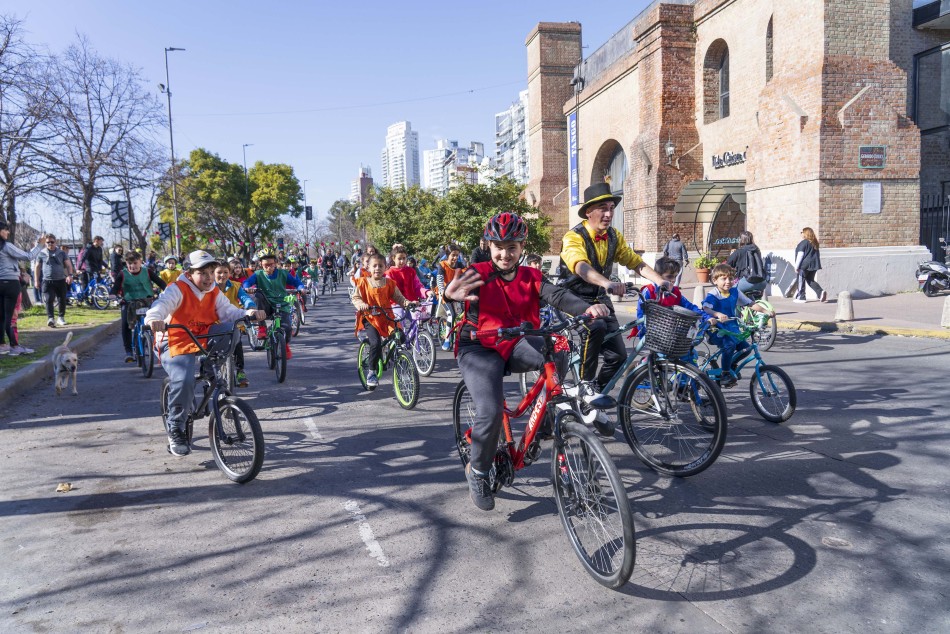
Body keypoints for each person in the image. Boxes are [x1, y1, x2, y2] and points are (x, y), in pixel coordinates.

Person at [443, 212, 610, 511]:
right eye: (499, 247)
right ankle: (479, 472)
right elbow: (455, 291)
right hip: (480, 347)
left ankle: (544, 421)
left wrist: (588, 309)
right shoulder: (477, 272)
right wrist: (449, 295)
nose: (505, 254)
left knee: (557, 348)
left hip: (516, 340)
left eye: (512, 247)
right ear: (488, 245)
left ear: (522, 248)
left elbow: (556, 294)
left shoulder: (531, 276)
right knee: (491, 410)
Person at [559, 182, 665, 415]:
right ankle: (586, 386)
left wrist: (660, 281)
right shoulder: (573, 237)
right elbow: (580, 267)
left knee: (618, 356)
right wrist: (607, 283)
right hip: (572, 297)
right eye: (602, 209)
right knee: (594, 326)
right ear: (589, 212)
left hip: (599, 298)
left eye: (611, 208)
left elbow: (635, 262)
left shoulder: (614, 236)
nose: (608, 214)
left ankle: (595, 393)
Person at [145, 250, 264, 456]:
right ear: (190, 273)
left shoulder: (214, 292)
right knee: (184, 380)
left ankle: (210, 369)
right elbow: (161, 305)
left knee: (232, 328)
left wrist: (248, 313)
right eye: (202, 273)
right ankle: (176, 428)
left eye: (211, 272)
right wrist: (154, 319)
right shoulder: (178, 289)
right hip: (176, 340)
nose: (209, 277)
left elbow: (228, 312)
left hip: (201, 338)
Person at [702, 263, 775, 388]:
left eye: (730, 278)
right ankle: (725, 373)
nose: (728, 282)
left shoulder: (735, 292)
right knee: (729, 345)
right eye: (723, 279)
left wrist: (765, 311)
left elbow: (750, 303)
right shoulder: (713, 295)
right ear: (715, 281)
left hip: (732, 327)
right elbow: (706, 308)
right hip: (716, 329)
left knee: (745, 348)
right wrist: (717, 314)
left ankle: (731, 365)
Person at [351, 253, 418, 388]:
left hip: (387, 318)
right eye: (374, 266)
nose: (377, 268)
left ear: (385, 267)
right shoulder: (363, 282)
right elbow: (356, 298)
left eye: (380, 266)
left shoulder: (389, 283)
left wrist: (407, 303)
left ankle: (397, 359)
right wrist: (361, 305)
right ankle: (371, 372)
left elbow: (399, 298)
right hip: (370, 318)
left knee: (401, 337)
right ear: (368, 268)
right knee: (375, 343)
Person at [242, 249, 305, 359]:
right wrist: (247, 288)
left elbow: (296, 282)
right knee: (257, 296)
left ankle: (284, 345)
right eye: (266, 265)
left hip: (282, 304)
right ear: (261, 264)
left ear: (275, 263)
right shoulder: (258, 274)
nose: (269, 267)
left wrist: (301, 288)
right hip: (266, 306)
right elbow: (247, 282)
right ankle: (262, 327)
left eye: (271, 264)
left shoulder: (283, 273)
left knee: (287, 328)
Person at [111, 251, 167, 363]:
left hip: (147, 301)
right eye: (129, 263)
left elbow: (160, 282)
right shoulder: (122, 274)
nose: (132, 266)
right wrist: (112, 295)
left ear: (140, 262)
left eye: (135, 263)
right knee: (125, 325)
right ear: (126, 263)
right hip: (129, 303)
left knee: (157, 322)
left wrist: (168, 290)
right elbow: (115, 287)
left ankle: (157, 345)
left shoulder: (147, 272)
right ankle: (128, 352)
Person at [636, 257, 712, 337]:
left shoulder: (675, 292)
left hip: (671, 334)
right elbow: (641, 315)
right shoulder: (648, 291)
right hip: (653, 335)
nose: (673, 280)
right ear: (657, 275)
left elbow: (690, 307)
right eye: (669, 276)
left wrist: (706, 317)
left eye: (675, 276)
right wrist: (644, 334)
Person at [214, 261, 255, 387]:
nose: (222, 275)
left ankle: (240, 370)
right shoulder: (209, 287)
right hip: (213, 324)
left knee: (237, 343)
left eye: (225, 272)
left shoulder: (236, 286)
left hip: (233, 322)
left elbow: (245, 298)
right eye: (219, 272)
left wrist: (251, 308)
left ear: (230, 273)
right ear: (212, 274)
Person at [0, 221, 35, 356]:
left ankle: (2, 344)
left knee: (1, 316)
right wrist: (40, 245)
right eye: (5, 230)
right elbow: (29, 256)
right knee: (9, 317)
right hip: (10, 283)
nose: (8, 232)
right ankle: (14, 345)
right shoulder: (6, 246)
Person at [33, 233, 75, 328]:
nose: (50, 244)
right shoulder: (41, 253)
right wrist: (36, 280)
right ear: (45, 243)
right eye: (48, 242)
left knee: (62, 299)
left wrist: (70, 275)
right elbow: (37, 267)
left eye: (52, 242)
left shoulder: (61, 253)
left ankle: (61, 317)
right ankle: (50, 318)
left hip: (60, 280)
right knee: (49, 299)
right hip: (47, 280)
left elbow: (68, 264)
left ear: (56, 242)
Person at [436, 245, 463, 351]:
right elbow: (439, 281)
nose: (455, 258)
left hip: (456, 294)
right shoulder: (442, 265)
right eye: (453, 255)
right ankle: (447, 339)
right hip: (445, 295)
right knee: (451, 315)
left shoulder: (459, 265)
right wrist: (444, 293)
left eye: (457, 255)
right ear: (448, 255)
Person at [725, 231, 767, 295]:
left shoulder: (738, 252)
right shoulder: (757, 250)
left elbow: (727, 265)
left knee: (729, 292)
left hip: (747, 282)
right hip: (762, 283)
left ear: (741, 240)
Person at [794, 227, 826, 303]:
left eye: (802, 232)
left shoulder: (803, 243)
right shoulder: (814, 243)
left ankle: (801, 297)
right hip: (814, 265)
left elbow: (800, 255)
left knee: (801, 280)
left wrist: (796, 266)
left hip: (804, 266)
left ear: (805, 233)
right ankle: (820, 292)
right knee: (810, 280)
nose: (801, 234)